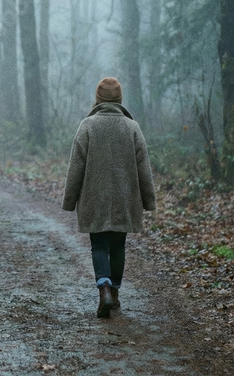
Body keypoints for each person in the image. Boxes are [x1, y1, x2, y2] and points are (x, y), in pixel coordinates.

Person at [62, 77, 156, 318]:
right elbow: (143, 168)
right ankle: (113, 293)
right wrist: (149, 200)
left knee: (99, 245)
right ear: (120, 99)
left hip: (95, 198)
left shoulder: (87, 126)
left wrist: (70, 200)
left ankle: (103, 288)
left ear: (98, 99)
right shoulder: (132, 127)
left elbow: (76, 167)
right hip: (125, 198)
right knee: (117, 245)